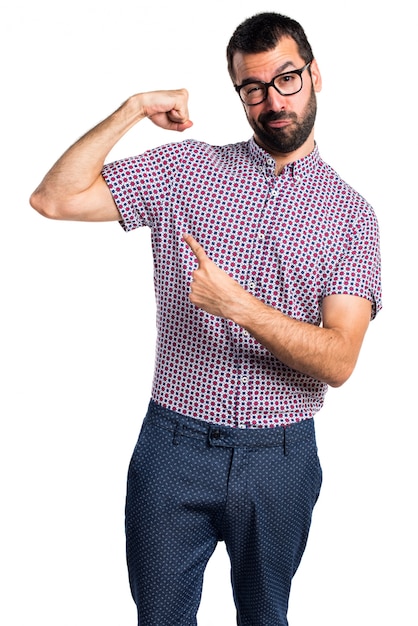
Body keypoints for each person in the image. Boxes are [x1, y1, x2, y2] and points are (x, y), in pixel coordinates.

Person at [30, 11, 382, 626]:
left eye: (287, 79)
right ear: (239, 95)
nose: (273, 100)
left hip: (281, 456)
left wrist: (239, 307)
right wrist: (134, 107)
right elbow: (53, 198)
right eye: (253, 87)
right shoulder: (186, 168)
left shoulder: (351, 214)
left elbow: (341, 360)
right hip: (173, 446)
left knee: (265, 618)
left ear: (316, 75)